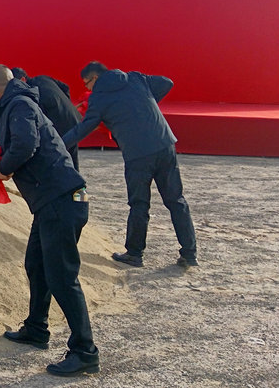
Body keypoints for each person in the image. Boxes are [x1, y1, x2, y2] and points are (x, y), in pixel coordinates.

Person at [0, 65, 99, 376]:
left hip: (61, 200)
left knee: (62, 276)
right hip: (51, 203)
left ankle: (85, 351)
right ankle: (36, 328)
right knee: (37, 264)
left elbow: (24, 145)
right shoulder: (15, 107)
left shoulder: (19, 105)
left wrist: (4, 170)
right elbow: (3, 149)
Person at [61, 61, 198, 269]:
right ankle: (189, 253)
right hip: (165, 144)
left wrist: (59, 145)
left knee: (139, 204)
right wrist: (145, 106)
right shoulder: (135, 78)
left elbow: (84, 128)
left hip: (137, 154)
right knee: (176, 200)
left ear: (95, 78)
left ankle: (135, 254)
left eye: (86, 83)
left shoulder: (99, 98)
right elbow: (167, 83)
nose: (87, 88)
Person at [11, 68, 83, 169]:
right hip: (73, 119)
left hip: (60, 126)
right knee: (71, 157)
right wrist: (66, 106)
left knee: (59, 160)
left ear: (23, 80)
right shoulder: (43, 78)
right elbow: (65, 87)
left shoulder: (31, 94)